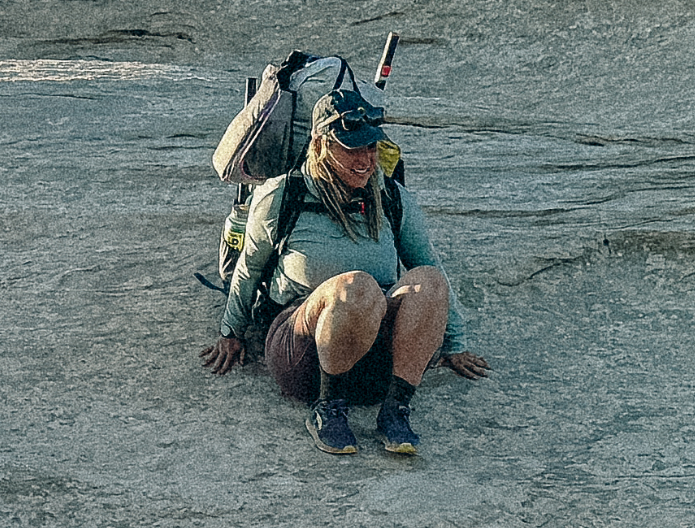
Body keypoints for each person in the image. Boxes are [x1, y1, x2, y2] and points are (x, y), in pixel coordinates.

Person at [203, 88, 489, 456]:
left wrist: (454, 344)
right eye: (351, 148)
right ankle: (328, 409)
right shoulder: (283, 194)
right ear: (320, 144)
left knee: (428, 282)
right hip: (304, 356)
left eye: (371, 147)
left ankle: (395, 408)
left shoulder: (391, 197)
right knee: (356, 287)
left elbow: (431, 266)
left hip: (374, 356)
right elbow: (249, 268)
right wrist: (231, 333)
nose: (365, 160)